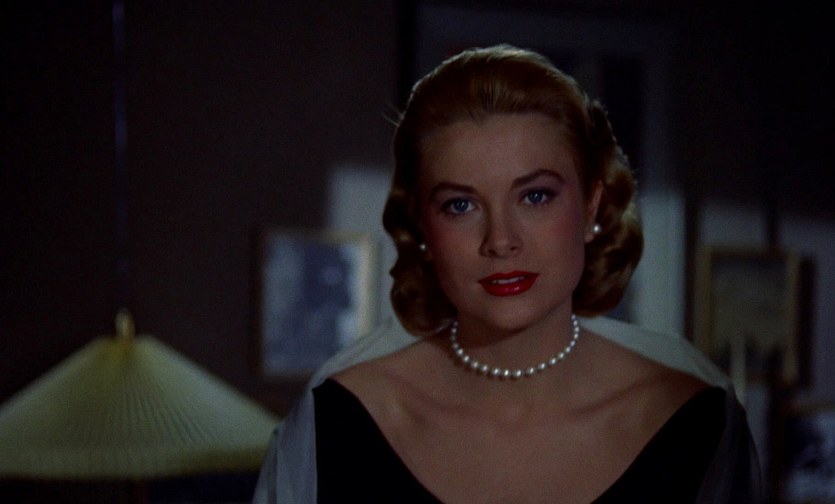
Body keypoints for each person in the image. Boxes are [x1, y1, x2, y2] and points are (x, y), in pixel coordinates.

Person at [253, 45, 762, 503]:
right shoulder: (339, 418)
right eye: (460, 205)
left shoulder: (690, 419)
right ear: (423, 228)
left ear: (591, 206)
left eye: (535, 196)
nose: (500, 240)